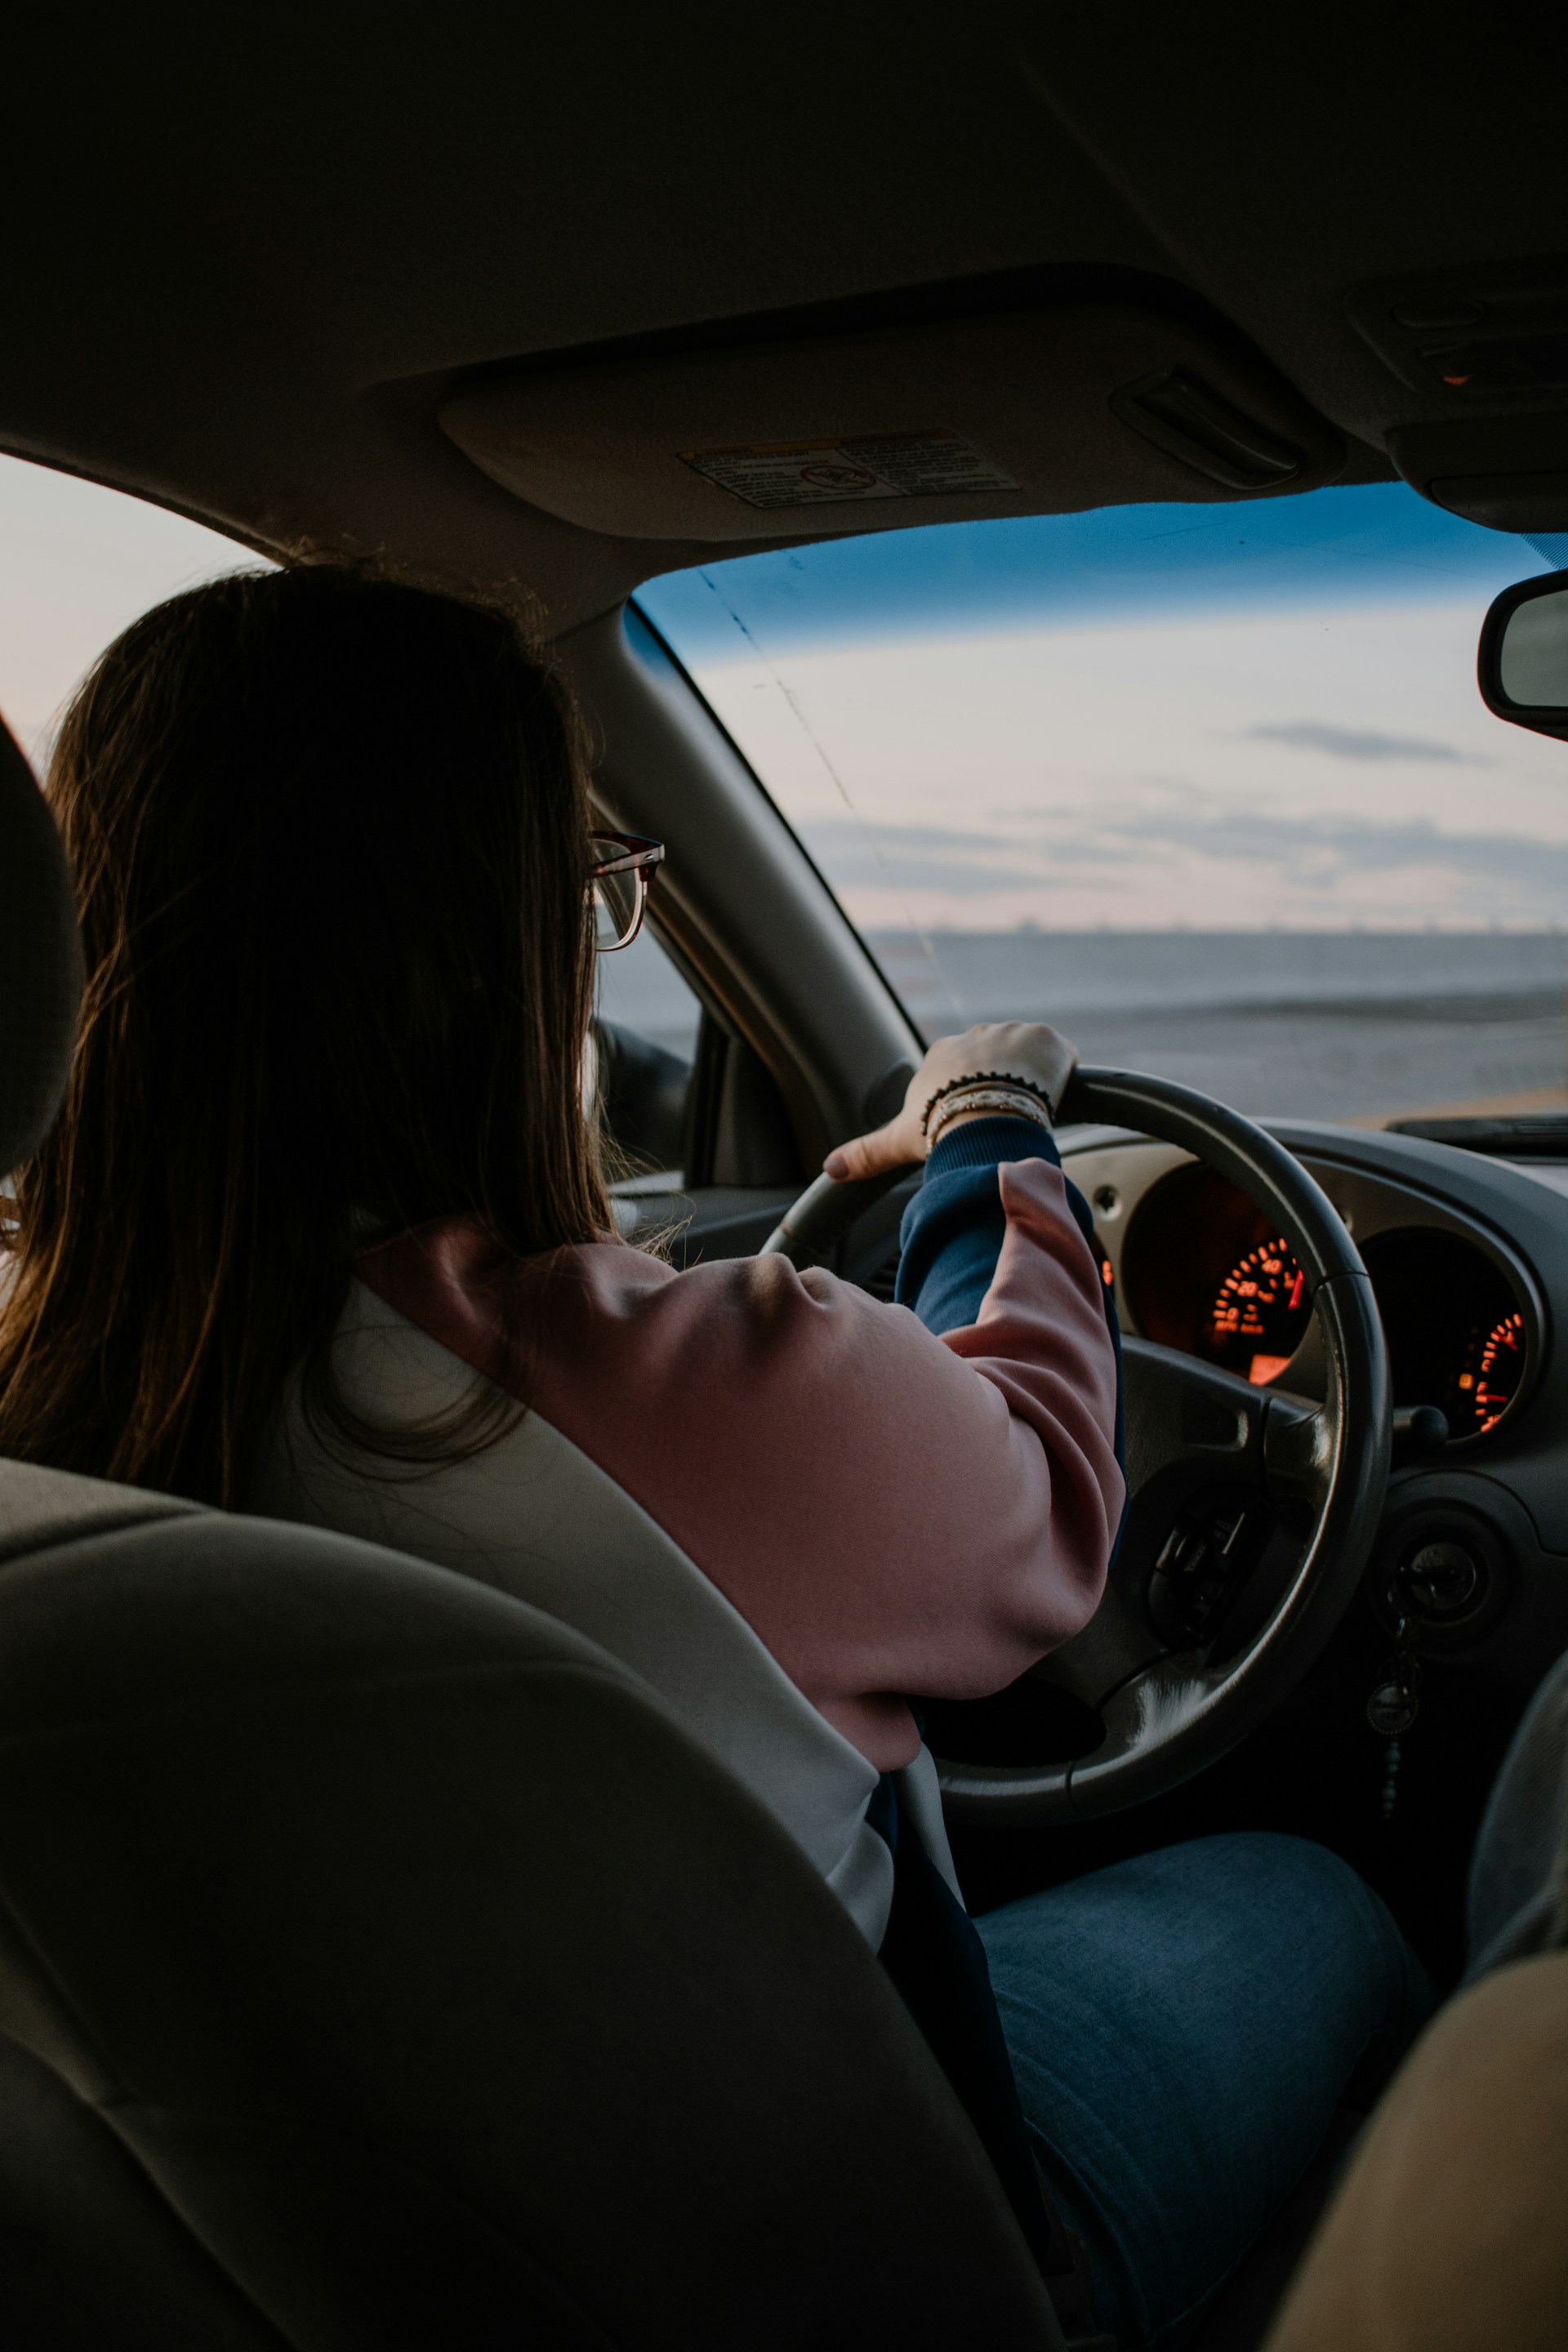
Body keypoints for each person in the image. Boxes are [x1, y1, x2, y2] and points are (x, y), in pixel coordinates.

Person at [0, 566, 1429, 2349]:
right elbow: (1056, 1493)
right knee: (1329, 1894)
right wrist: (990, 1131)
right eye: (588, 897)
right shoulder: (692, 1388)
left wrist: (780, 1278)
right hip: (877, 2247)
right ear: (488, 953)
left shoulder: (41, 1416)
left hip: (296, 2257)